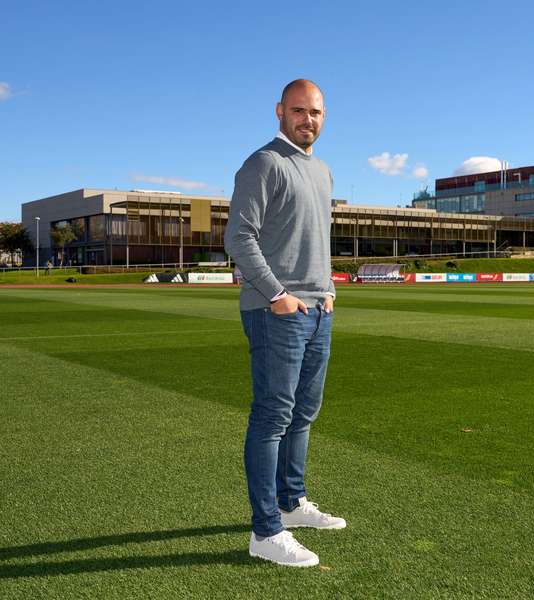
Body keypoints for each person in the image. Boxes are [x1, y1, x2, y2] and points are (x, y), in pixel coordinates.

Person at [224, 79, 345, 568]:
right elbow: (239, 236)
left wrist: (328, 289)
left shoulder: (322, 171)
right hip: (277, 312)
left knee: (302, 414)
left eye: (315, 112)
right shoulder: (263, 164)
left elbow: (315, 238)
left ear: (324, 115)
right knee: (272, 417)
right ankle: (266, 531)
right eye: (298, 111)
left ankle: (291, 504)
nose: (307, 119)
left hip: (319, 310)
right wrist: (278, 295)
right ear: (279, 112)